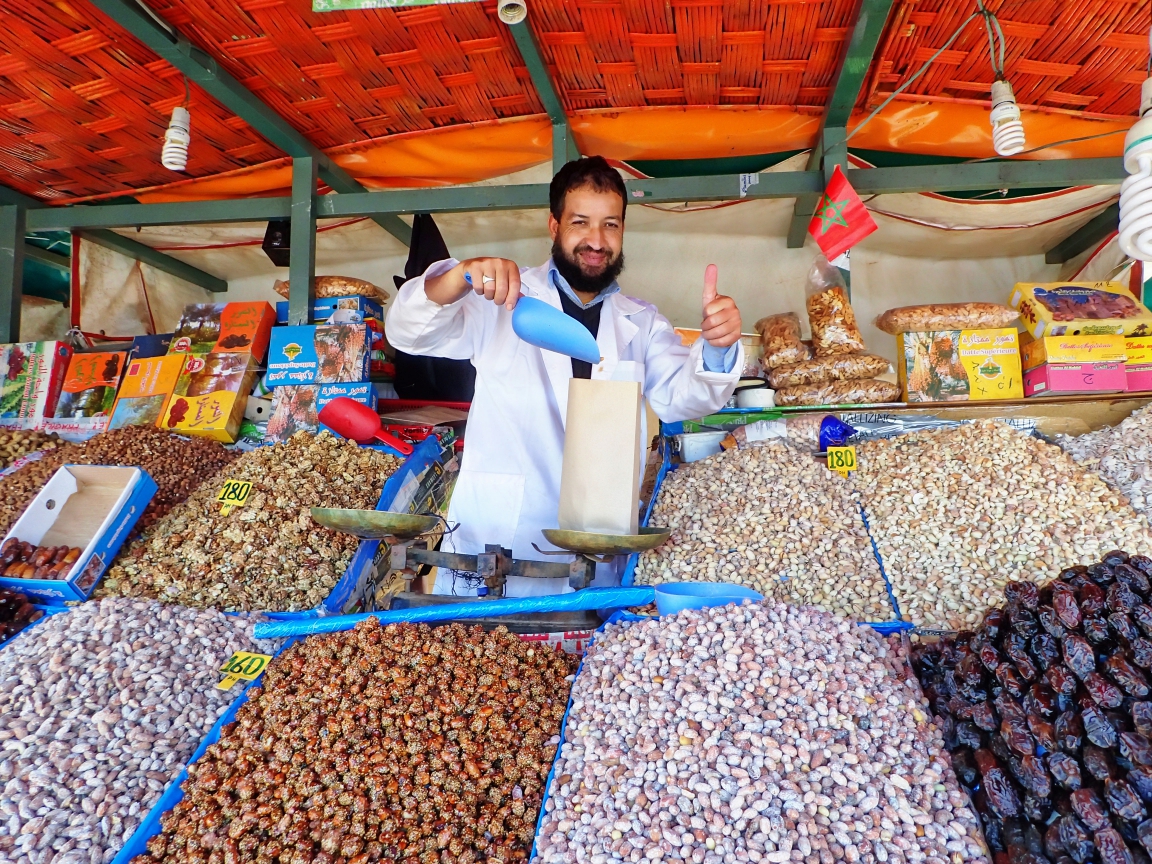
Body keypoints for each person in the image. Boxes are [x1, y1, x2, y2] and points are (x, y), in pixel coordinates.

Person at [385, 156, 744, 596]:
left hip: (596, 549)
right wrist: (459, 276)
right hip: (500, 542)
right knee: (487, 640)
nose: (597, 240)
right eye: (581, 222)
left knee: (590, 635)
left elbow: (683, 399)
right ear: (554, 226)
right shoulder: (501, 299)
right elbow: (408, 332)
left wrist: (718, 347)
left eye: (610, 225)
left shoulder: (643, 322)